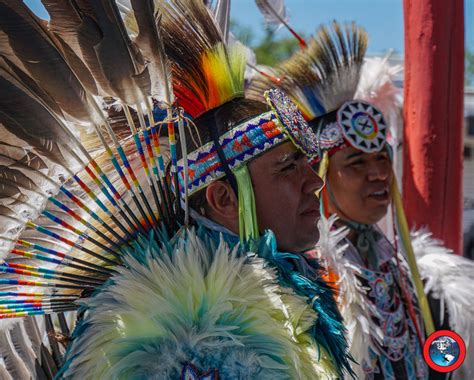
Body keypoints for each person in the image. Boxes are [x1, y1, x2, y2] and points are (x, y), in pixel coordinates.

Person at [0, 1, 353, 378]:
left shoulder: (269, 297)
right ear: (224, 199)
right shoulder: (193, 344)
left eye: (306, 164)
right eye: (288, 167)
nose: (315, 182)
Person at [248, 21, 474, 379]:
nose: (378, 174)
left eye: (382, 158)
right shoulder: (297, 278)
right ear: (319, 174)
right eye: (356, 162)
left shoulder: (414, 275)